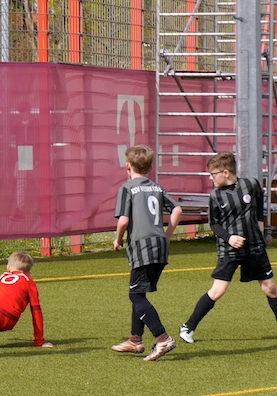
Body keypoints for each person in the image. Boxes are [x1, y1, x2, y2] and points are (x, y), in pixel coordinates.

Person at [179, 152, 277, 343]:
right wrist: (229, 237)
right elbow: (214, 224)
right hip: (229, 250)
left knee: (271, 288)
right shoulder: (215, 196)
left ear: (225, 172)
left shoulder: (251, 185)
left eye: (213, 174)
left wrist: (260, 227)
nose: (210, 178)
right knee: (218, 291)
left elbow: (257, 206)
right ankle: (188, 327)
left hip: (254, 247)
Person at [111, 145, 182, 361]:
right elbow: (177, 209)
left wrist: (118, 238)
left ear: (128, 166)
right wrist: (168, 234)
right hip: (160, 245)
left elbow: (124, 220)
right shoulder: (156, 188)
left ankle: (163, 338)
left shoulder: (128, 188)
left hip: (142, 247)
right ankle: (135, 340)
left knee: (135, 294)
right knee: (139, 293)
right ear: (150, 167)